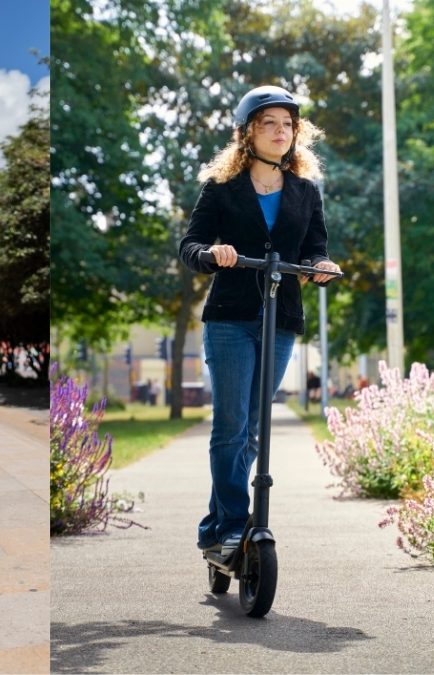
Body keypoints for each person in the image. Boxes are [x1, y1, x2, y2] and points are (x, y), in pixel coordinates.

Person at [179, 85, 342, 557]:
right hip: (230, 317)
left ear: (297, 134)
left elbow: (314, 250)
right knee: (230, 424)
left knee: (252, 426)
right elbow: (190, 247)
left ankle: (216, 525)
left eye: (287, 124)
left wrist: (322, 268)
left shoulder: (306, 193)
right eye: (269, 123)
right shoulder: (222, 189)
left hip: (282, 317)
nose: (280, 131)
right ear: (249, 133)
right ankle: (232, 524)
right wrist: (213, 253)